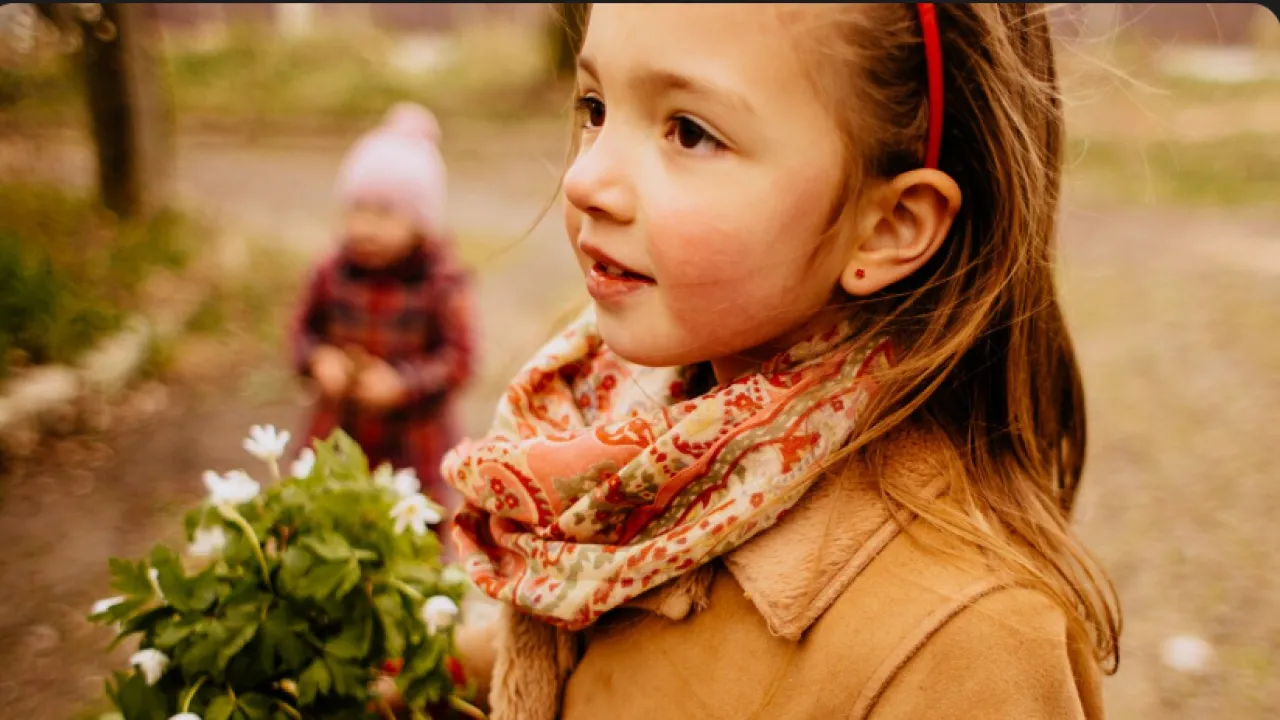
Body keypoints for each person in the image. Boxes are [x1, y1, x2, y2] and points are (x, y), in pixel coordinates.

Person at [445, 4, 1120, 719]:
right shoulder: (624, 435)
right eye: (595, 106)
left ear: (888, 227)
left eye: (690, 132)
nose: (585, 181)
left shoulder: (964, 646)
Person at [291, 102, 475, 559]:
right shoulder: (330, 273)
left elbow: (459, 360)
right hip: (339, 433)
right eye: (357, 209)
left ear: (420, 221)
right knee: (327, 535)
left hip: (414, 445)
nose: (366, 226)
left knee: (412, 546)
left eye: (385, 213)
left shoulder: (440, 283)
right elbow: (301, 333)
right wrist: (319, 360)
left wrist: (402, 384)